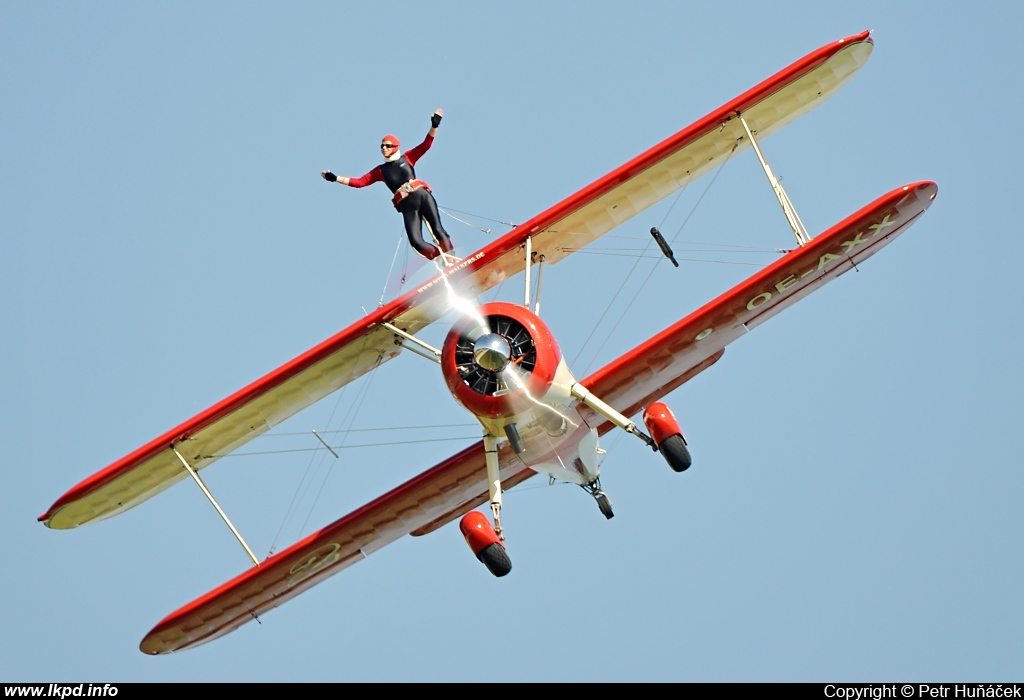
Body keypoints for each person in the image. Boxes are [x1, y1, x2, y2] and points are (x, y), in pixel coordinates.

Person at [321, 109, 455, 263]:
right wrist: (335, 178)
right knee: (415, 242)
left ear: (396, 147)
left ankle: (452, 258)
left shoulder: (408, 157)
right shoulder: (380, 171)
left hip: (422, 196)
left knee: (438, 230)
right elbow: (359, 182)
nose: (384, 148)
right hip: (407, 206)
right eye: (382, 145)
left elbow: (426, 145)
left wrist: (434, 126)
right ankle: (443, 261)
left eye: (388, 145)